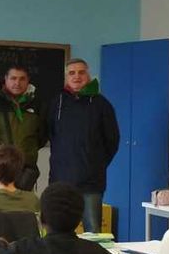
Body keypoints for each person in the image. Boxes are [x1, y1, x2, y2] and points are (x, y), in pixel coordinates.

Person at [46, 59, 120, 233]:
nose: (76, 77)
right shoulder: (57, 103)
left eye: (81, 72)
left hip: (91, 182)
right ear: (66, 77)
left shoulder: (101, 104)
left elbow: (112, 140)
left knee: (93, 231)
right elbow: (50, 134)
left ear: (88, 75)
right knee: (57, 230)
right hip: (60, 179)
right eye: (72, 73)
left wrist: (96, 163)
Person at [0, 64, 46, 191]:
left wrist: (27, 151)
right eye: (13, 78)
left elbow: (42, 136)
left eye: (22, 79)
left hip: (25, 174)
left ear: (28, 80)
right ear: (6, 79)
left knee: (24, 205)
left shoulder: (38, 104)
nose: (17, 83)